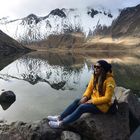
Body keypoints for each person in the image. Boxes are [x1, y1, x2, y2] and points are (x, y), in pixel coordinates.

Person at [47, 60, 116, 128]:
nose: (95, 68)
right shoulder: (95, 76)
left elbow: (107, 98)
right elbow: (89, 88)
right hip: (95, 100)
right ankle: (60, 117)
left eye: (98, 67)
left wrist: (92, 101)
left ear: (103, 69)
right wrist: (85, 97)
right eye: (94, 66)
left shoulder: (110, 81)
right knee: (78, 101)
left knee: (82, 107)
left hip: (102, 106)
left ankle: (62, 123)